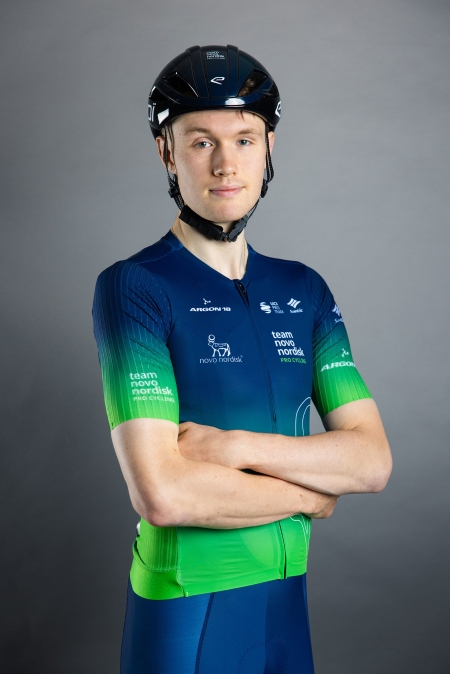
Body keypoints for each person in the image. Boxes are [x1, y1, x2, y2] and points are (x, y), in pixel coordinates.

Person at [92, 44, 392, 674]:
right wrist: (311, 495)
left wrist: (232, 448)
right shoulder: (135, 287)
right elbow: (163, 493)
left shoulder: (304, 289)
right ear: (166, 152)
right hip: (185, 611)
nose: (226, 164)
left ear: (269, 148)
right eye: (201, 141)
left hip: (284, 606)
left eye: (245, 140)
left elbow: (371, 462)